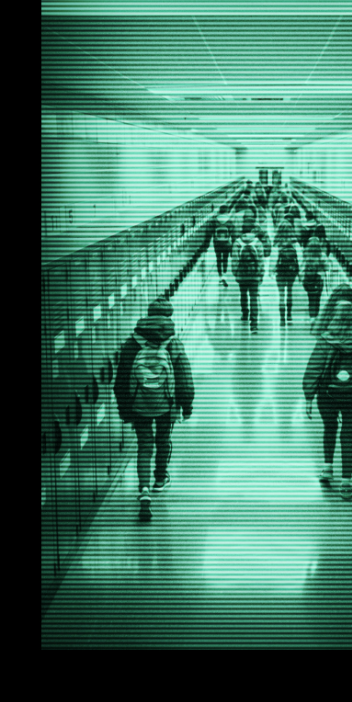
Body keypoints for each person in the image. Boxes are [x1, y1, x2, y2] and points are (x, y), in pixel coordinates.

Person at [113, 296, 194, 522]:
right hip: (166, 405)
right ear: (169, 317)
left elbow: (120, 382)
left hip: (139, 405)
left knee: (144, 446)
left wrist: (125, 409)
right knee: (163, 440)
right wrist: (186, 405)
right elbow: (185, 378)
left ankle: (144, 489)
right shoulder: (174, 343)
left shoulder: (131, 343)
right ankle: (160, 478)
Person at [302, 298, 352, 500]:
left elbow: (313, 369)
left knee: (330, 428)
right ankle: (346, 483)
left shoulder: (325, 339)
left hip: (327, 395)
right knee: (348, 435)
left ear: (334, 317)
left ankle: (327, 468)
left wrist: (309, 397)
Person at [229, 229, 262, 329]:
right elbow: (261, 260)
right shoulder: (257, 243)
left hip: (242, 274)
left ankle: (244, 314)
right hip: (254, 275)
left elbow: (234, 259)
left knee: (243, 294)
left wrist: (235, 273)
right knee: (254, 297)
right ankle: (254, 323)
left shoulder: (237, 243)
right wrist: (261, 274)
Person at [274, 237, 301, 325]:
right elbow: (297, 263)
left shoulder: (279, 250)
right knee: (289, 293)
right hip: (290, 274)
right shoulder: (293, 250)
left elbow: (276, 263)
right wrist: (298, 273)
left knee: (281, 296)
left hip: (280, 274)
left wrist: (274, 271)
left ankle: (282, 319)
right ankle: (289, 316)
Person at [302, 237, 326, 318]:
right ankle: (316, 316)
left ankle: (312, 317)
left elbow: (303, 267)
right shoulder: (321, 256)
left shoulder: (306, 255)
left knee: (311, 300)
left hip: (308, 280)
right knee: (317, 300)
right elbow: (326, 268)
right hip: (318, 281)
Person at [212, 204, 234, 286]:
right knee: (225, 259)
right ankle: (224, 276)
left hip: (217, 243)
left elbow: (210, 232)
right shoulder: (229, 220)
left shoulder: (214, 220)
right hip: (226, 243)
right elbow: (233, 232)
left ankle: (220, 276)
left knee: (218, 259)